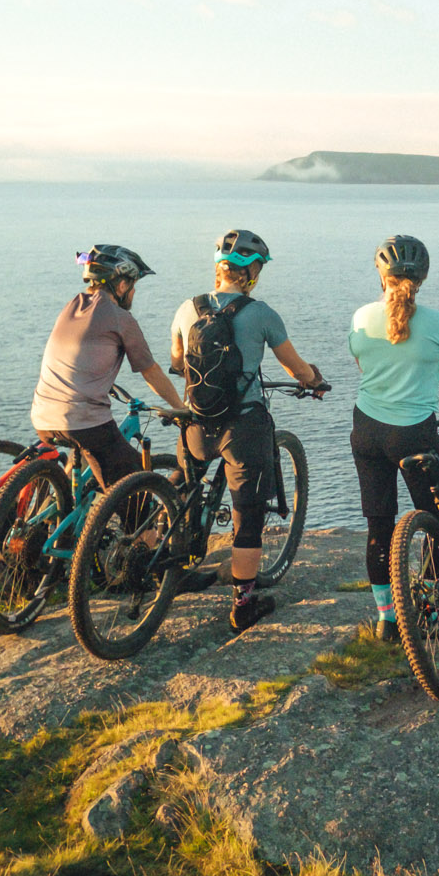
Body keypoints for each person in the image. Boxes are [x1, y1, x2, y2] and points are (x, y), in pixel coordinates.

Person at [171, 228, 328, 633]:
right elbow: (295, 368)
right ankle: (243, 603)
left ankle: (170, 564)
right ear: (252, 272)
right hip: (242, 425)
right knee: (248, 512)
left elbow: (175, 360)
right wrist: (313, 380)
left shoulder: (187, 308)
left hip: (196, 422)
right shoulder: (261, 314)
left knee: (184, 491)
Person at [347, 234, 439, 633]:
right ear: (424, 278)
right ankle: (431, 611)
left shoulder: (362, 317)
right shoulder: (437, 322)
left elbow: (367, 366)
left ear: (382, 276)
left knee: (379, 526)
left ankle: (387, 620)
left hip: (366, 431)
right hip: (414, 434)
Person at [30, 244, 189, 493]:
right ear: (121, 284)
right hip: (83, 423)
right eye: (133, 284)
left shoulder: (71, 306)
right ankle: (141, 531)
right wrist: (180, 408)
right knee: (135, 488)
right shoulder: (119, 317)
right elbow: (151, 371)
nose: (134, 291)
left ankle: (62, 514)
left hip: (42, 416)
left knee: (88, 460)